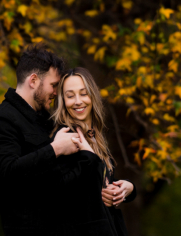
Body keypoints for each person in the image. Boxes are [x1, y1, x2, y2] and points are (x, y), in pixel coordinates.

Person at [0, 45, 86, 236]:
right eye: (53, 85)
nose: (56, 93)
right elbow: (8, 173)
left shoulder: (48, 120)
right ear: (34, 80)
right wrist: (54, 149)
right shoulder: (0, 120)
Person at [52, 67, 137, 236]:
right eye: (70, 96)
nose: (78, 101)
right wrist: (88, 156)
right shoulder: (65, 138)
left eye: (83, 93)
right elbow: (64, 191)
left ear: (92, 96)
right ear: (63, 100)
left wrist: (127, 188)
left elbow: (99, 183)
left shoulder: (94, 135)